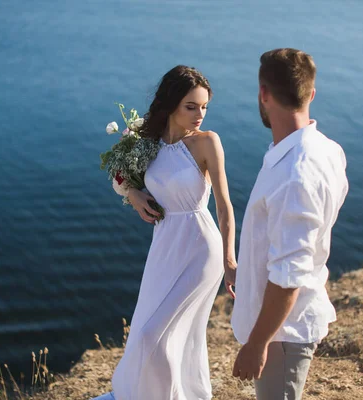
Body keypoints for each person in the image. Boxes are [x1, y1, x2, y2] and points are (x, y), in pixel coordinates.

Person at [93, 65, 237, 400]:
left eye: (204, 107)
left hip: (202, 247)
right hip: (165, 245)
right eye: (191, 106)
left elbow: (225, 205)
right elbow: (118, 171)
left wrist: (231, 260)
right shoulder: (146, 141)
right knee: (153, 332)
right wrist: (133, 193)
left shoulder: (207, 143)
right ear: (171, 103)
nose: (200, 114)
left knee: (154, 336)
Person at [231, 48, 349, 400]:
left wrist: (257, 344)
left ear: (263, 94)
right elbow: (300, 237)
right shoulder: (327, 150)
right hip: (284, 321)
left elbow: (289, 275)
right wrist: (249, 268)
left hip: (283, 331)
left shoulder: (294, 174)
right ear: (311, 93)